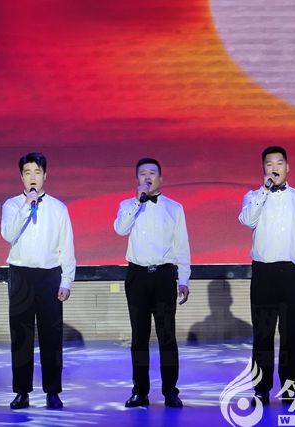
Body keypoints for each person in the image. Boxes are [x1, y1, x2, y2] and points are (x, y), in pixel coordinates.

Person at [238, 146, 295, 406]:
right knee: (262, 334)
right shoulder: (253, 196)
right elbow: (247, 220)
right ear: (263, 168)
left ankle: (290, 388)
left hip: (293, 272)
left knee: (291, 335)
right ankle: (261, 389)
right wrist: (264, 191)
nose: (275, 168)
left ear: (288, 167)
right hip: (264, 272)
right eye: (269, 164)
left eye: (279, 163)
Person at [113, 158, 191, 409]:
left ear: (161, 178)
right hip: (137, 276)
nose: (147, 177)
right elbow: (120, 229)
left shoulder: (174, 208)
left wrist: (184, 278)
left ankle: (170, 391)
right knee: (139, 336)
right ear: (136, 179)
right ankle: (140, 392)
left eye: (152, 173)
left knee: (167, 335)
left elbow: (182, 245)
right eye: (143, 174)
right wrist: (137, 202)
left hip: (164, 275)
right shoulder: (127, 205)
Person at [1, 152, 76, 410]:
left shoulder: (58, 208)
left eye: (37, 172)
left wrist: (66, 281)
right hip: (20, 275)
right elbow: (7, 234)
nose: (32, 177)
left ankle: (52, 391)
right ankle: (22, 392)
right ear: (21, 177)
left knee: (51, 336)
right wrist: (26, 206)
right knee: (21, 336)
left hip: (49, 276)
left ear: (45, 175)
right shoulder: (12, 205)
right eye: (27, 172)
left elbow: (67, 246)